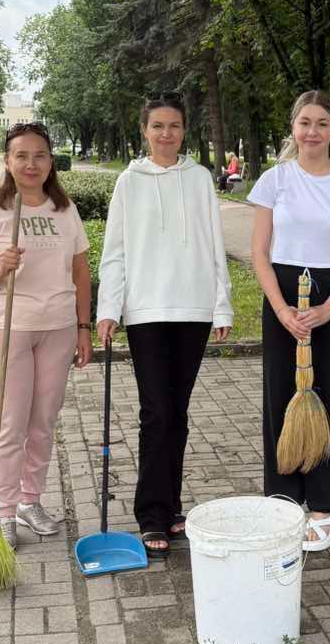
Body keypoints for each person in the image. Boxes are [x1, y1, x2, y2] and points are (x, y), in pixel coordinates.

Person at [97, 93, 233, 559]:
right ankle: (151, 513)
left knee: (177, 412)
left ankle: (173, 505)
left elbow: (216, 245)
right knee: (155, 412)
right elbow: (114, 251)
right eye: (158, 126)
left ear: (184, 130)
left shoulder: (198, 180)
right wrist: (108, 309)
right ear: (144, 130)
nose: (166, 134)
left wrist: (223, 307)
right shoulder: (128, 184)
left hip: (193, 309)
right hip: (146, 312)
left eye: (174, 126)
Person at [248, 90, 330, 552]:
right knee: (280, 399)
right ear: (293, 128)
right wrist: (281, 309)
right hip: (282, 295)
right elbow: (259, 250)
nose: (312, 131)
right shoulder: (274, 180)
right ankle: (283, 501)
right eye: (305, 122)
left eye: (322, 123)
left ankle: (322, 507)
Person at [0, 122, 93, 550]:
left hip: (56, 328)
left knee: (42, 422)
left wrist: (83, 327)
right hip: (6, 328)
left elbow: (80, 271)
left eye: (39, 155)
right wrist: (0, 268)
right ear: (7, 161)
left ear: (50, 161)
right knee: (7, 423)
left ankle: (29, 500)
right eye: (21, 155)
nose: (31, 163)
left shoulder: (63, 209)